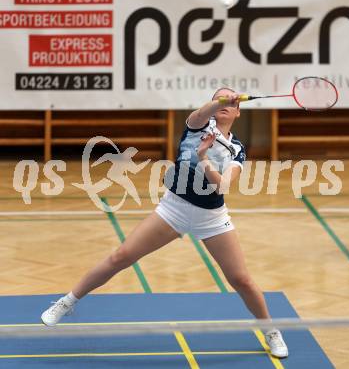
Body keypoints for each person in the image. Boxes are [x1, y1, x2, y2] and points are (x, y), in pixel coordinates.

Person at [41, 88, 288, 358]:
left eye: (231, 101)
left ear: (239, 111)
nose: (225, 103)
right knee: (121, 256)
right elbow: (198, 114)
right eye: (219, 98)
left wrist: (204, 158)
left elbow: (223, 186)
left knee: (240, 279)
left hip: (212, 217)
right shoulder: (197, 126)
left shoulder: (237, 148)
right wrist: (217, 103)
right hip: (174, 208)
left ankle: (271, 331)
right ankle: (67, 302)